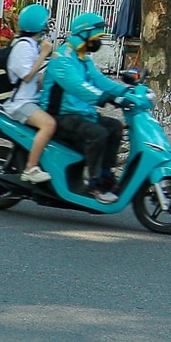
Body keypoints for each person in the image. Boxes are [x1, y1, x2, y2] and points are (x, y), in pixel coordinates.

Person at [41, 11, 132, 201]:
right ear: (84, 34)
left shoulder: (83, 58)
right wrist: (107, 98)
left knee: (115, 127)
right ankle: (94, 184)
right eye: (97, 36)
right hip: (61, 115)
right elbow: (78, 86)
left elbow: (100, 81)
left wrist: (125, 92)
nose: (99, 40)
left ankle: (106, 177)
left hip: (81, 113)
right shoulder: (62, 58)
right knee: (97, 134)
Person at [4, 3, 58, 185]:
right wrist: (44, 54)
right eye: (45, 23)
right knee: (49, 125)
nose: (47, 27)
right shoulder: (23, 46)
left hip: (31, 98)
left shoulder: (32, 45)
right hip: (20, 102)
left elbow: (37, 79)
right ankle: (30, 168)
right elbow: (27, 76)